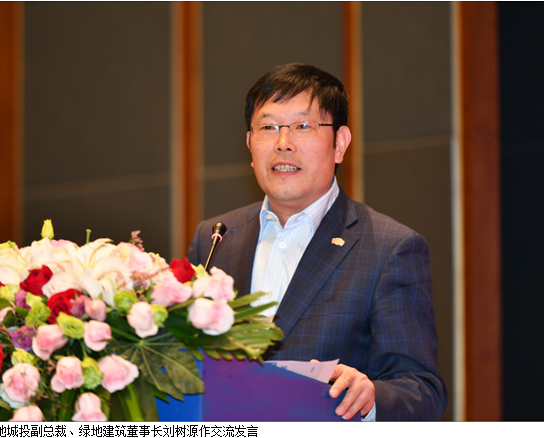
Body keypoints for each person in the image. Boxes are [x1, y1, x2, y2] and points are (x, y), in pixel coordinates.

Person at [188, 63, 448, 421]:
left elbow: (422, 392)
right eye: (268, 127)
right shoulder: (215, 238)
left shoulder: (389, 248)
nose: (283, 143)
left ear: (339, 143)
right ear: (249, 144)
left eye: (303, 126)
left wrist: (370, 398)